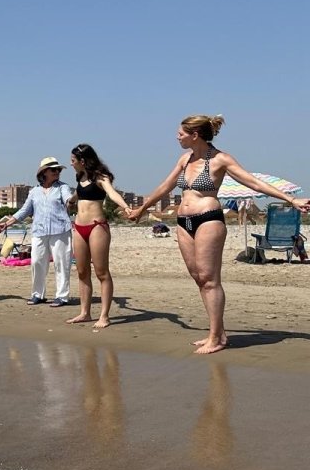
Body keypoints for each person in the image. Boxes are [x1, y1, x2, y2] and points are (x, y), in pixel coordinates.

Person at [127, 115, 310, 354]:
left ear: (195, 135)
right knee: (198, 277)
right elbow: (165, 186)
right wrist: (141, 209)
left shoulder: (220, 159)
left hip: (208, 220)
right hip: (184, 222)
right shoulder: (185, 159)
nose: (177, 136)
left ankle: (216, 336)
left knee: (210, 278)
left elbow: (253, 183)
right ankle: (218, 332)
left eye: (180, 133)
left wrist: (290, 199)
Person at [64, 144, 132, 329]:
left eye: (73, 161)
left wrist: (125, 207)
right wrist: (70, 201)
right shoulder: (81, 177)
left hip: (97, 227)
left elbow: (112, 193)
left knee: (102, 272)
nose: (71, 164)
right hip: (79, 227)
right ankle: (85, 313)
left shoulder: (100, 178)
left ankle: (104, 316)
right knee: (82, 271)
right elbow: (78, 194)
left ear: (83, 161)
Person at [0, 157, 75, 307]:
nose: (57, 172)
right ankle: (38, 294)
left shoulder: (63, 187)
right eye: (53, 169)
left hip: (61, 230)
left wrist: (73, 200)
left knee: (61, 263)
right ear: (44, 172)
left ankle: (62, 296)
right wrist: (6, 224)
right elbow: (24, 211)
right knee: (37, 262)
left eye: (58, 170)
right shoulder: (34, 191)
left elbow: (69, 200)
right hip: (39, 231)